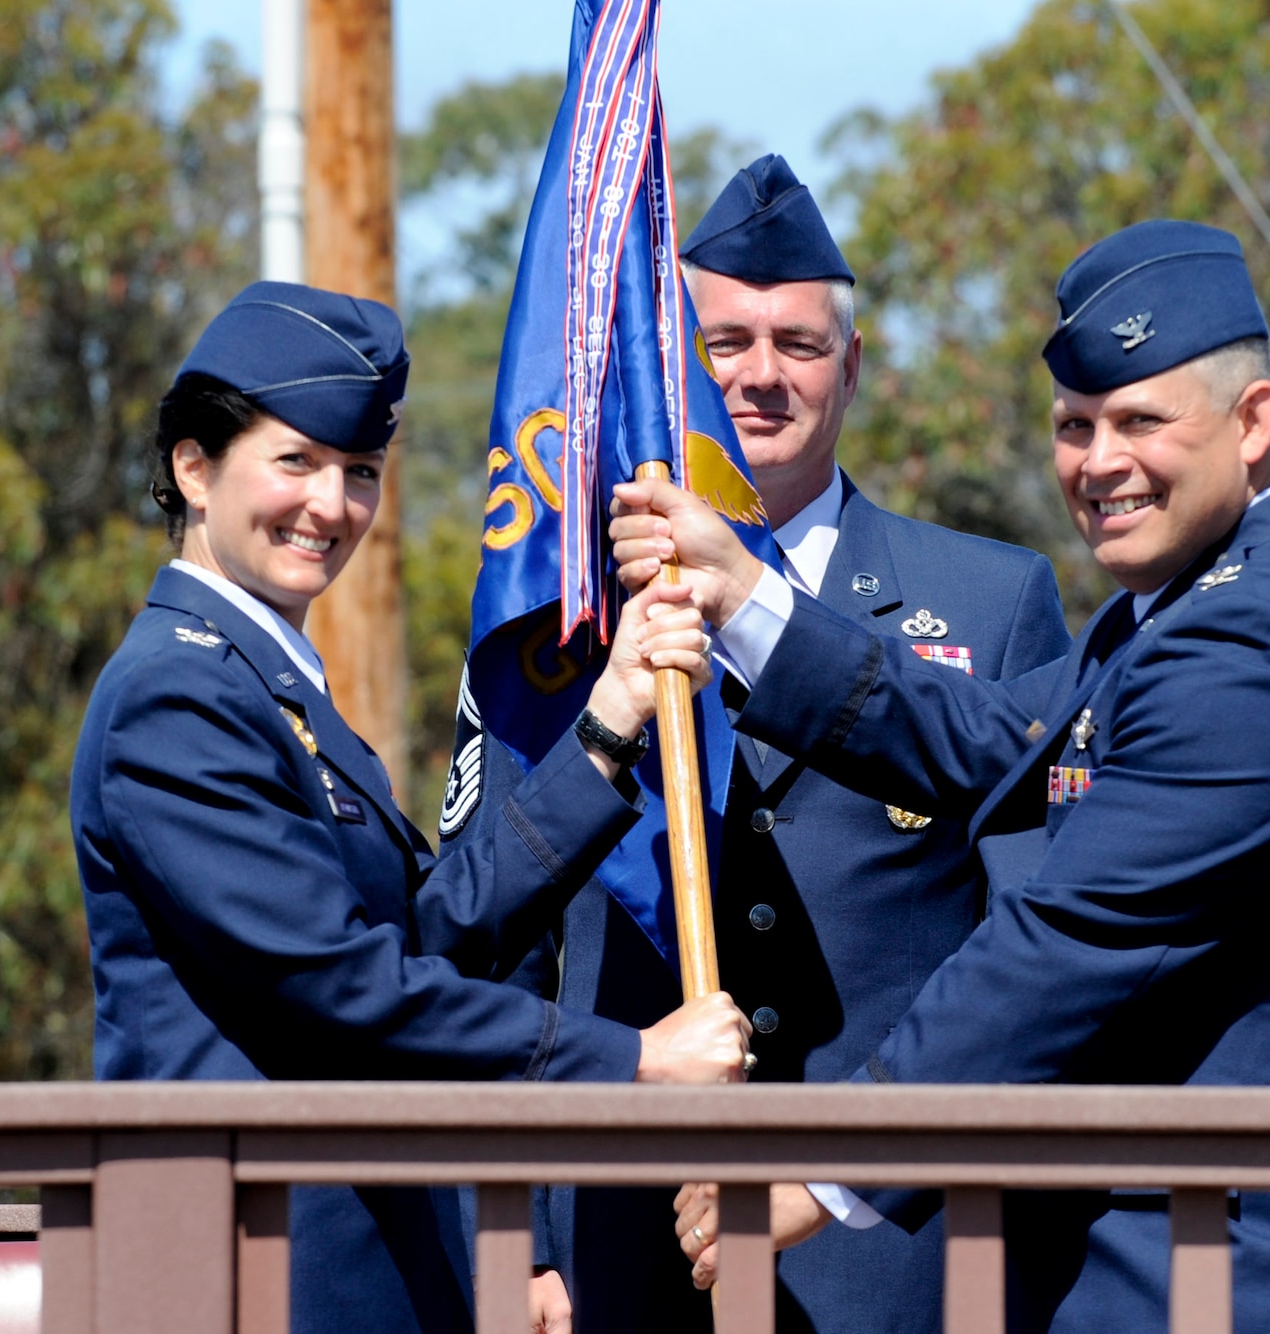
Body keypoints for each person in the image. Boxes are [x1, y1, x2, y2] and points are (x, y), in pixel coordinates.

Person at [615, 220, 1270, 1332]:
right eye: (1074, 426)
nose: (1099, 462)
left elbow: (1064, 942)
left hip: (1217, 1273)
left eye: (1140, 420)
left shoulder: (1255, 641)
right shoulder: (1178, 609)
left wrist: (820, 1165)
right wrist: (745, 596)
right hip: (1137, 1260)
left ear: (1252, 421)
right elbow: (987, 735)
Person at [69, 281, 753, 1334]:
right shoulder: (176, 694)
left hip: (346, 1260)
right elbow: (345, 985)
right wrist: (632, 1061)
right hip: (250, 1270)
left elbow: (430, 931)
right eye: (293, 461)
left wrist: (609, 718)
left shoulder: (270, 682)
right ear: (192, 468)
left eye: (360, 473)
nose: (330, 505)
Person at [460, 154, 1068, 1334]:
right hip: (616, 1242)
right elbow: (499, 936)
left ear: (851, 366)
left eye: (796, 343)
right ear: (666, 367)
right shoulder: (567, 604)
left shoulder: (991, 601)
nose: (757, 375)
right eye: (720, 341)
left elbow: (1029, 945)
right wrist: (516, 1236)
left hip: (890, 1257)